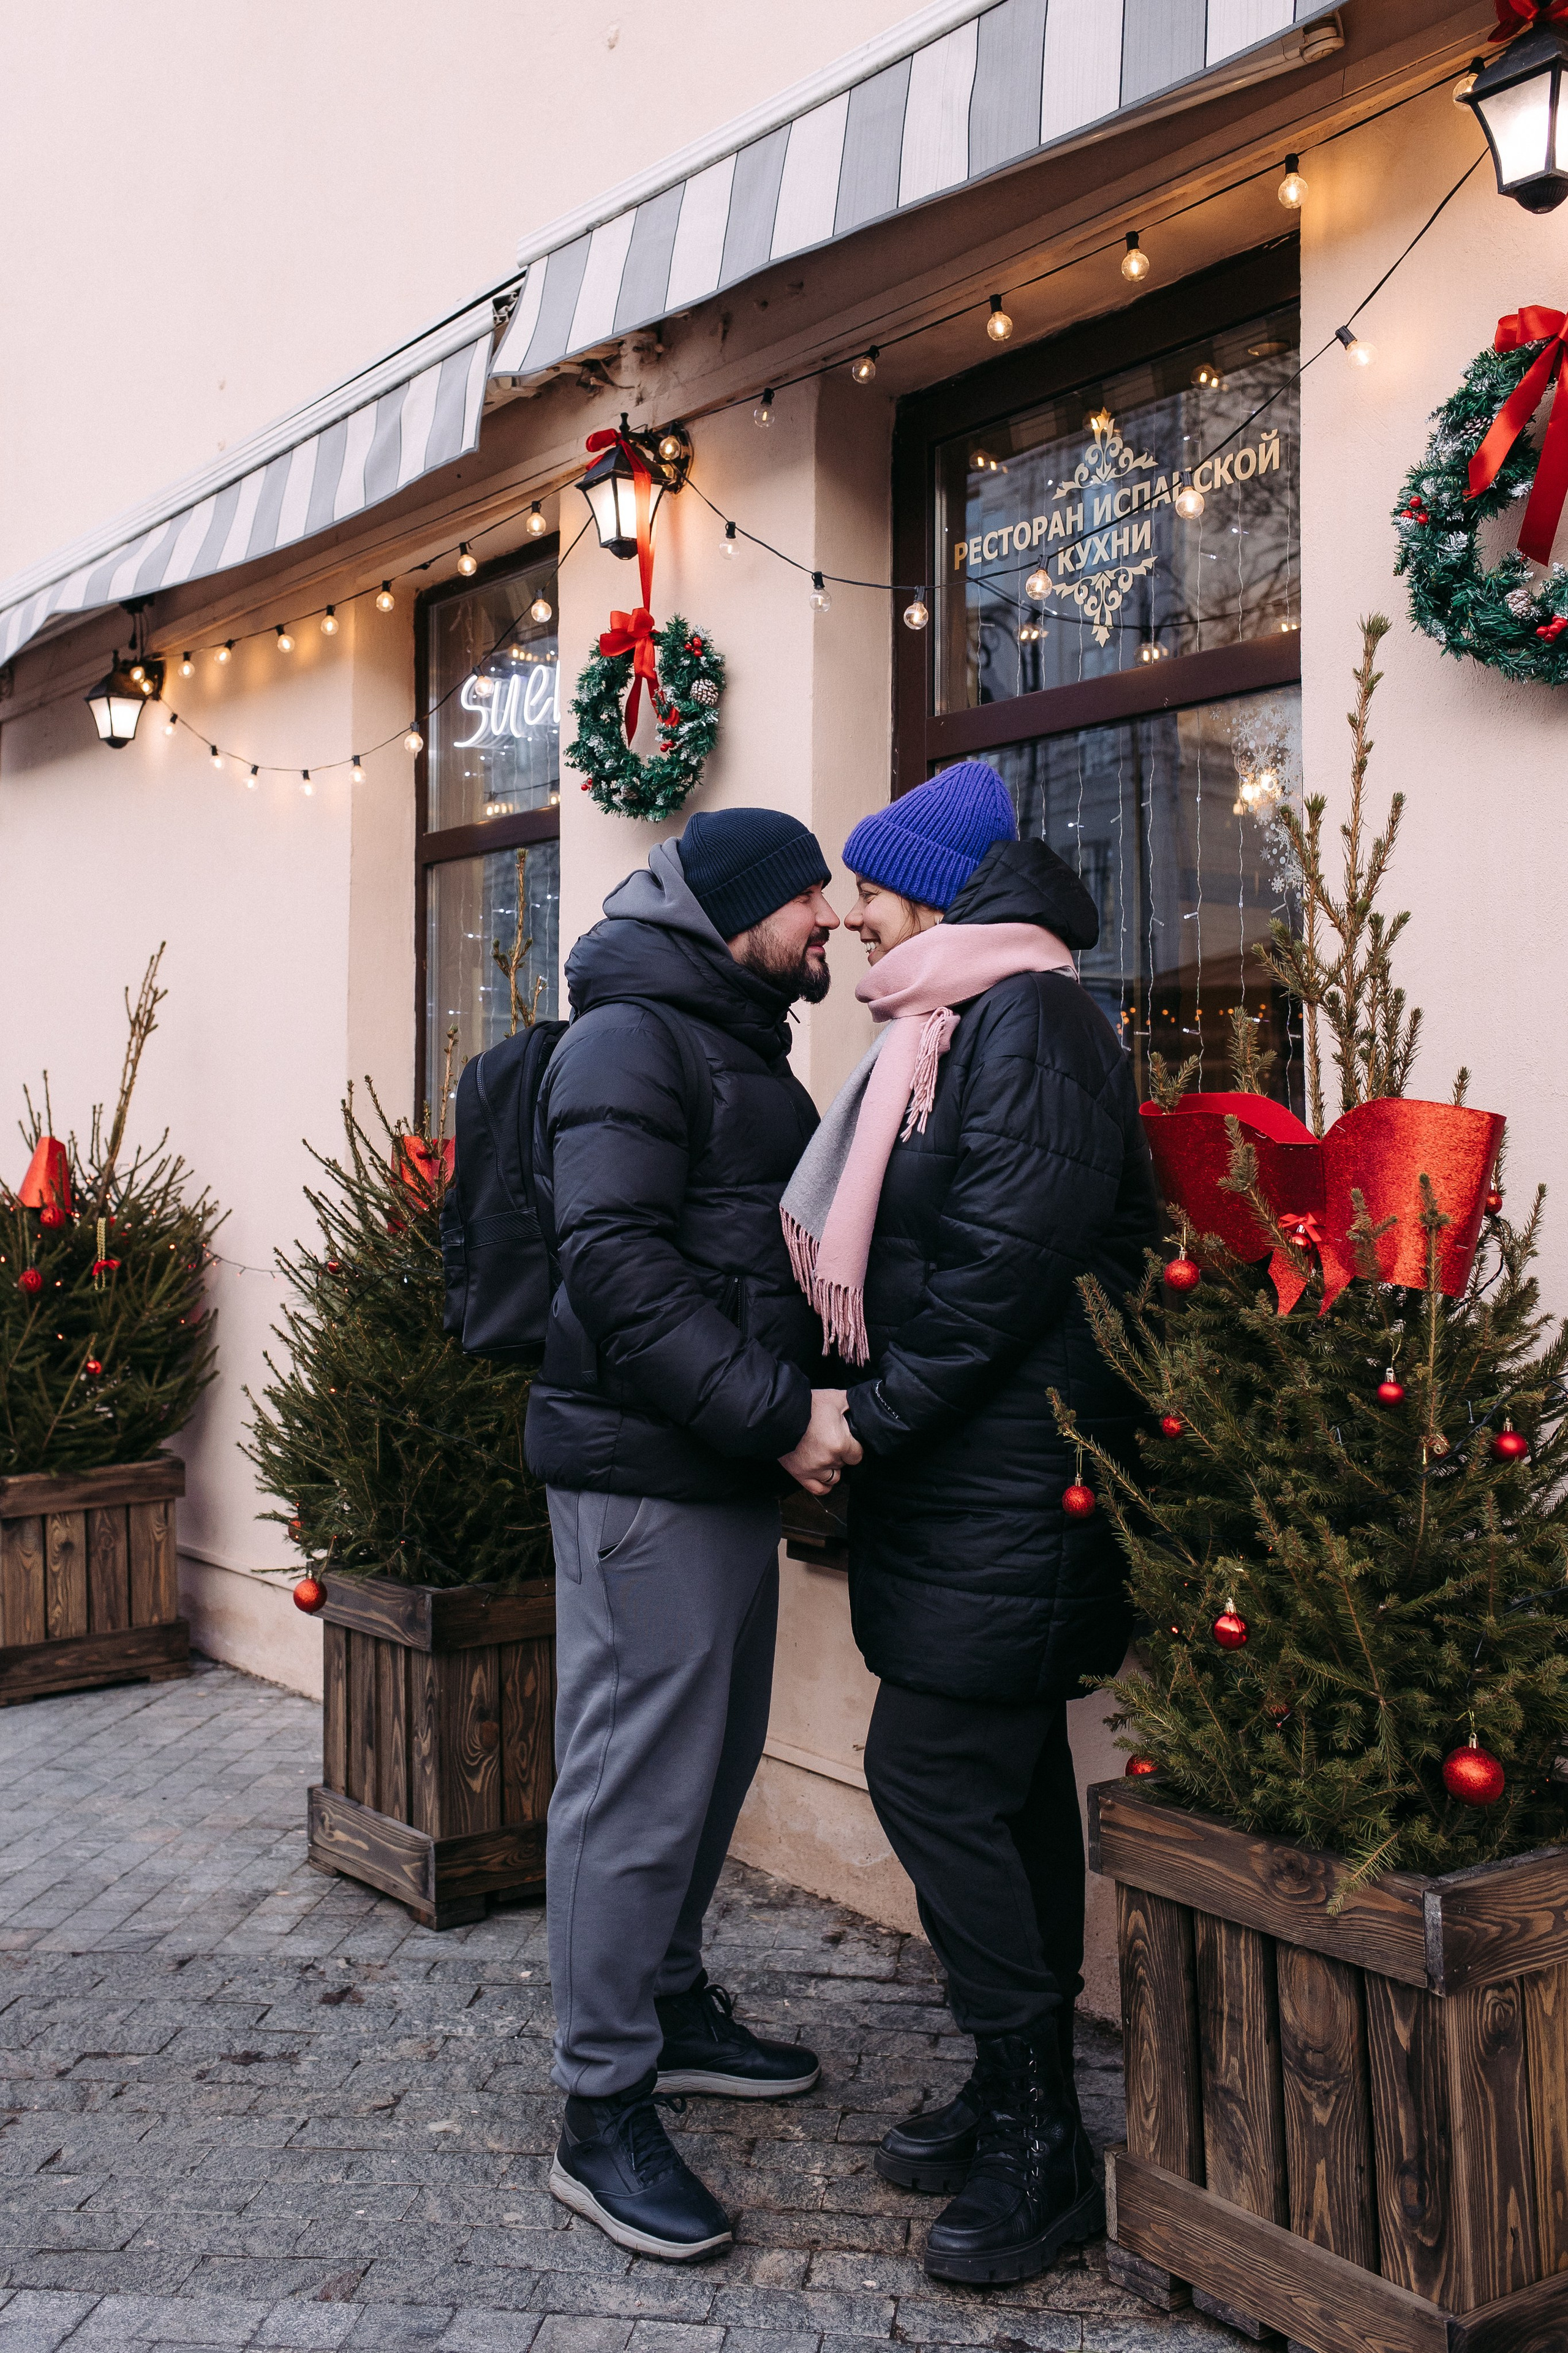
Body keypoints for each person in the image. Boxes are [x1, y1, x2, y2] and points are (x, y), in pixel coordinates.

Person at [781, 761, 1161, 2287]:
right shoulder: (947, 1020)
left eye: (871, 886)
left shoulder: (1031, 1021)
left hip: (1018, 1472)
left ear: (932, 889)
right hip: (971, 1474)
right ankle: (1024, 2088)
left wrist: (866, 1414)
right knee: (995, 1776)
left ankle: (1039, 2138)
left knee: (926, 1768)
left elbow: (1003, 1263)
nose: (856, 914)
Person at [526, 807, 862, 2264]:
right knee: (632, 1784)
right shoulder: (628, 1040)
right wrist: (772, 1411)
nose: (831, 920)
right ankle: (598, 2111)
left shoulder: (725, 1030)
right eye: (806, 897)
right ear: (733, 908)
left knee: (707, 1763)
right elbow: (611, 1261)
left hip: (713, 1460)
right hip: (646, 1469)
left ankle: (665, 2002)